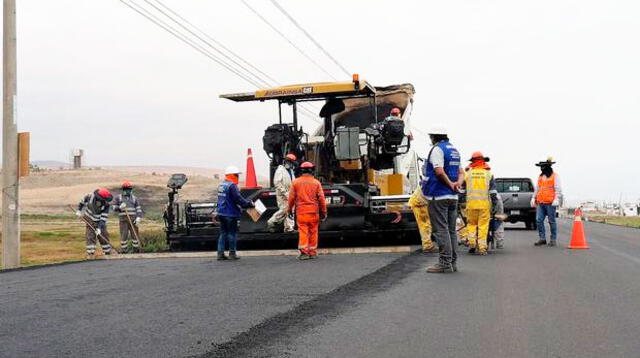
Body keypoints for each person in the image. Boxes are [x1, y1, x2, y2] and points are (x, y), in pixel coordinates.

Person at [422, 126, 464, 273]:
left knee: (441, 230)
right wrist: (457, 183)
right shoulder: (454, 150)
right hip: (453, 197)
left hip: (438, 195)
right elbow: (461, 172)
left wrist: (450, 184)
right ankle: (452, 262)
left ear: (434, 137)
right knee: (451, 230)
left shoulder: (437, 149)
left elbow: (439, 171)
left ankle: (444, 262)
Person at [287, 161, 327, 260]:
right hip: (314, 212)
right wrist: (324, 212)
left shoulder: (295, 182)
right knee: (313, 231)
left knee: (303, 232)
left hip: (301, 212)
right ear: (312, 171)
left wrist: (289, 210)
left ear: (301, 171)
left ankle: (304, 253)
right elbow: (321, 199)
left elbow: (291, 198)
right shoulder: (316, 183)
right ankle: (312, 252)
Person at [462, 152, 498, 255]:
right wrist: (494, 204)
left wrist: (460, 201)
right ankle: (482, 248)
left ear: (472, 161)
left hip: (471, 205)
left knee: (471, 224)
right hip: (484, 205)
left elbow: (462, 190)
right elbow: (493, 192)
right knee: (483, 226)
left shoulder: (467, 174)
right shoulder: (489, 174)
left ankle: (472, 244)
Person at [216, 166, 254, 260]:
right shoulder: (232, 186)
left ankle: (220, 254)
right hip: (230, 214)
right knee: (232, 233)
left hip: (221, 213)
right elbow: (238, 199)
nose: (238, 177)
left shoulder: (221, 185)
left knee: (223, 233)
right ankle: (232, 254)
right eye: (236, 175)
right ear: (232, 175)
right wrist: (249, 204)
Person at [531, 157, 562, 247]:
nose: (541, 169)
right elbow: (537, 188)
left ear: (548, 167)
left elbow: (558, 189)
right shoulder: (540, 177)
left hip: (550, 202)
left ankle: (553, 239)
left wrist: (556, 199)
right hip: (541, 202)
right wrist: (533, 198)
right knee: (538, 220)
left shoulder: (555, 176)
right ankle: (542, 238)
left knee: (551, 221)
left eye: (543, 167)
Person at [76, 189, 113, 258]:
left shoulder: (106, 205)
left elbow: (103, 218)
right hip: (89, 219)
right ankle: (90, 254)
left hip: (99, 221)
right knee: (90, 236)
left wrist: (99, 228)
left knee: (104, 236)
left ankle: (108, 252)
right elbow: (81, 203)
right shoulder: (89, 197)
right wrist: (79, 210)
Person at [267, 153, 297, 232]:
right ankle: (272, 221)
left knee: (290, 210)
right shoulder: (280, 170)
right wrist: (285, 192)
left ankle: (289, 228)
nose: (290, 164)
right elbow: (277, 183)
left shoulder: (290, 171)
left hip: (290, 193)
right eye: (289, 162)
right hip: (282, 195)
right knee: (285, 209)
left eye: (291, 162)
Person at [113, 181, 143, 253]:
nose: (128, 191)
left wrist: (138, 217)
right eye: (126, 189)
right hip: (123, 220)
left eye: (129, 189)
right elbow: (114, 208)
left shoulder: (134, 198)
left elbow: (138, 209)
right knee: (124, 235)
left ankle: (136, 250)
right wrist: (120, 207)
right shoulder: (118, 198)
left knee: (135, 235)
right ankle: (124, 250)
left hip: (133, 220)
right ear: (123, 189)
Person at [408, 186, 438, 253]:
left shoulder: (431, 178)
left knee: (426, 225)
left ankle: (427, 245)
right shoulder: (434, 181)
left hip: (419, 202)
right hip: (419, 203)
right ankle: (427, 246)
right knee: (425, 225)